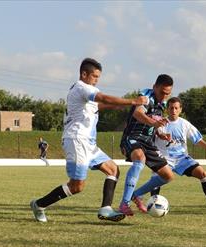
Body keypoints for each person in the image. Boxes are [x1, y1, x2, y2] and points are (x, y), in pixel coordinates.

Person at [30, 58, 148, 222]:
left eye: (98, 77)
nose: (96, 80)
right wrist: (132, 101)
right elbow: (104, 98)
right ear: (83, 74)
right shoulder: (81, 88)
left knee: (113, 170)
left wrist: (121, 105)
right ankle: (39, 204)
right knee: (77, 186)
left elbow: (99, 105)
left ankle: (106, 209)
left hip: (89, 143)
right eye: (94, 76)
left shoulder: (86, 91)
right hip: (77, 140)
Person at [132, 97, 206, 212]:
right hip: (164, 159)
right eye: (171, 108)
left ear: (180, 110)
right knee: (156, 180)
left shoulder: (185, 124)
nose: (173, 110)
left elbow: (196, 139)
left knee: (203, 174)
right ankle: (153, 206)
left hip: (182, 159)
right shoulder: (160, 123)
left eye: (176, 108)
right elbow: (150, 135)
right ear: (167, 109)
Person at [118, 74, 175, 216]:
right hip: (132, 137)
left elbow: (154, 125)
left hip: (148, 142)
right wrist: (153, 123)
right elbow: (138, 113)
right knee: (139, 158)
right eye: (162, 92)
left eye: (167, 94)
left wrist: (161, 134)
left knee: (167, 176)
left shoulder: (161, 105)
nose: (164, 96)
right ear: (154, 87)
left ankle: (135, 195)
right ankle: (124, 204)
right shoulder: (146, 96)